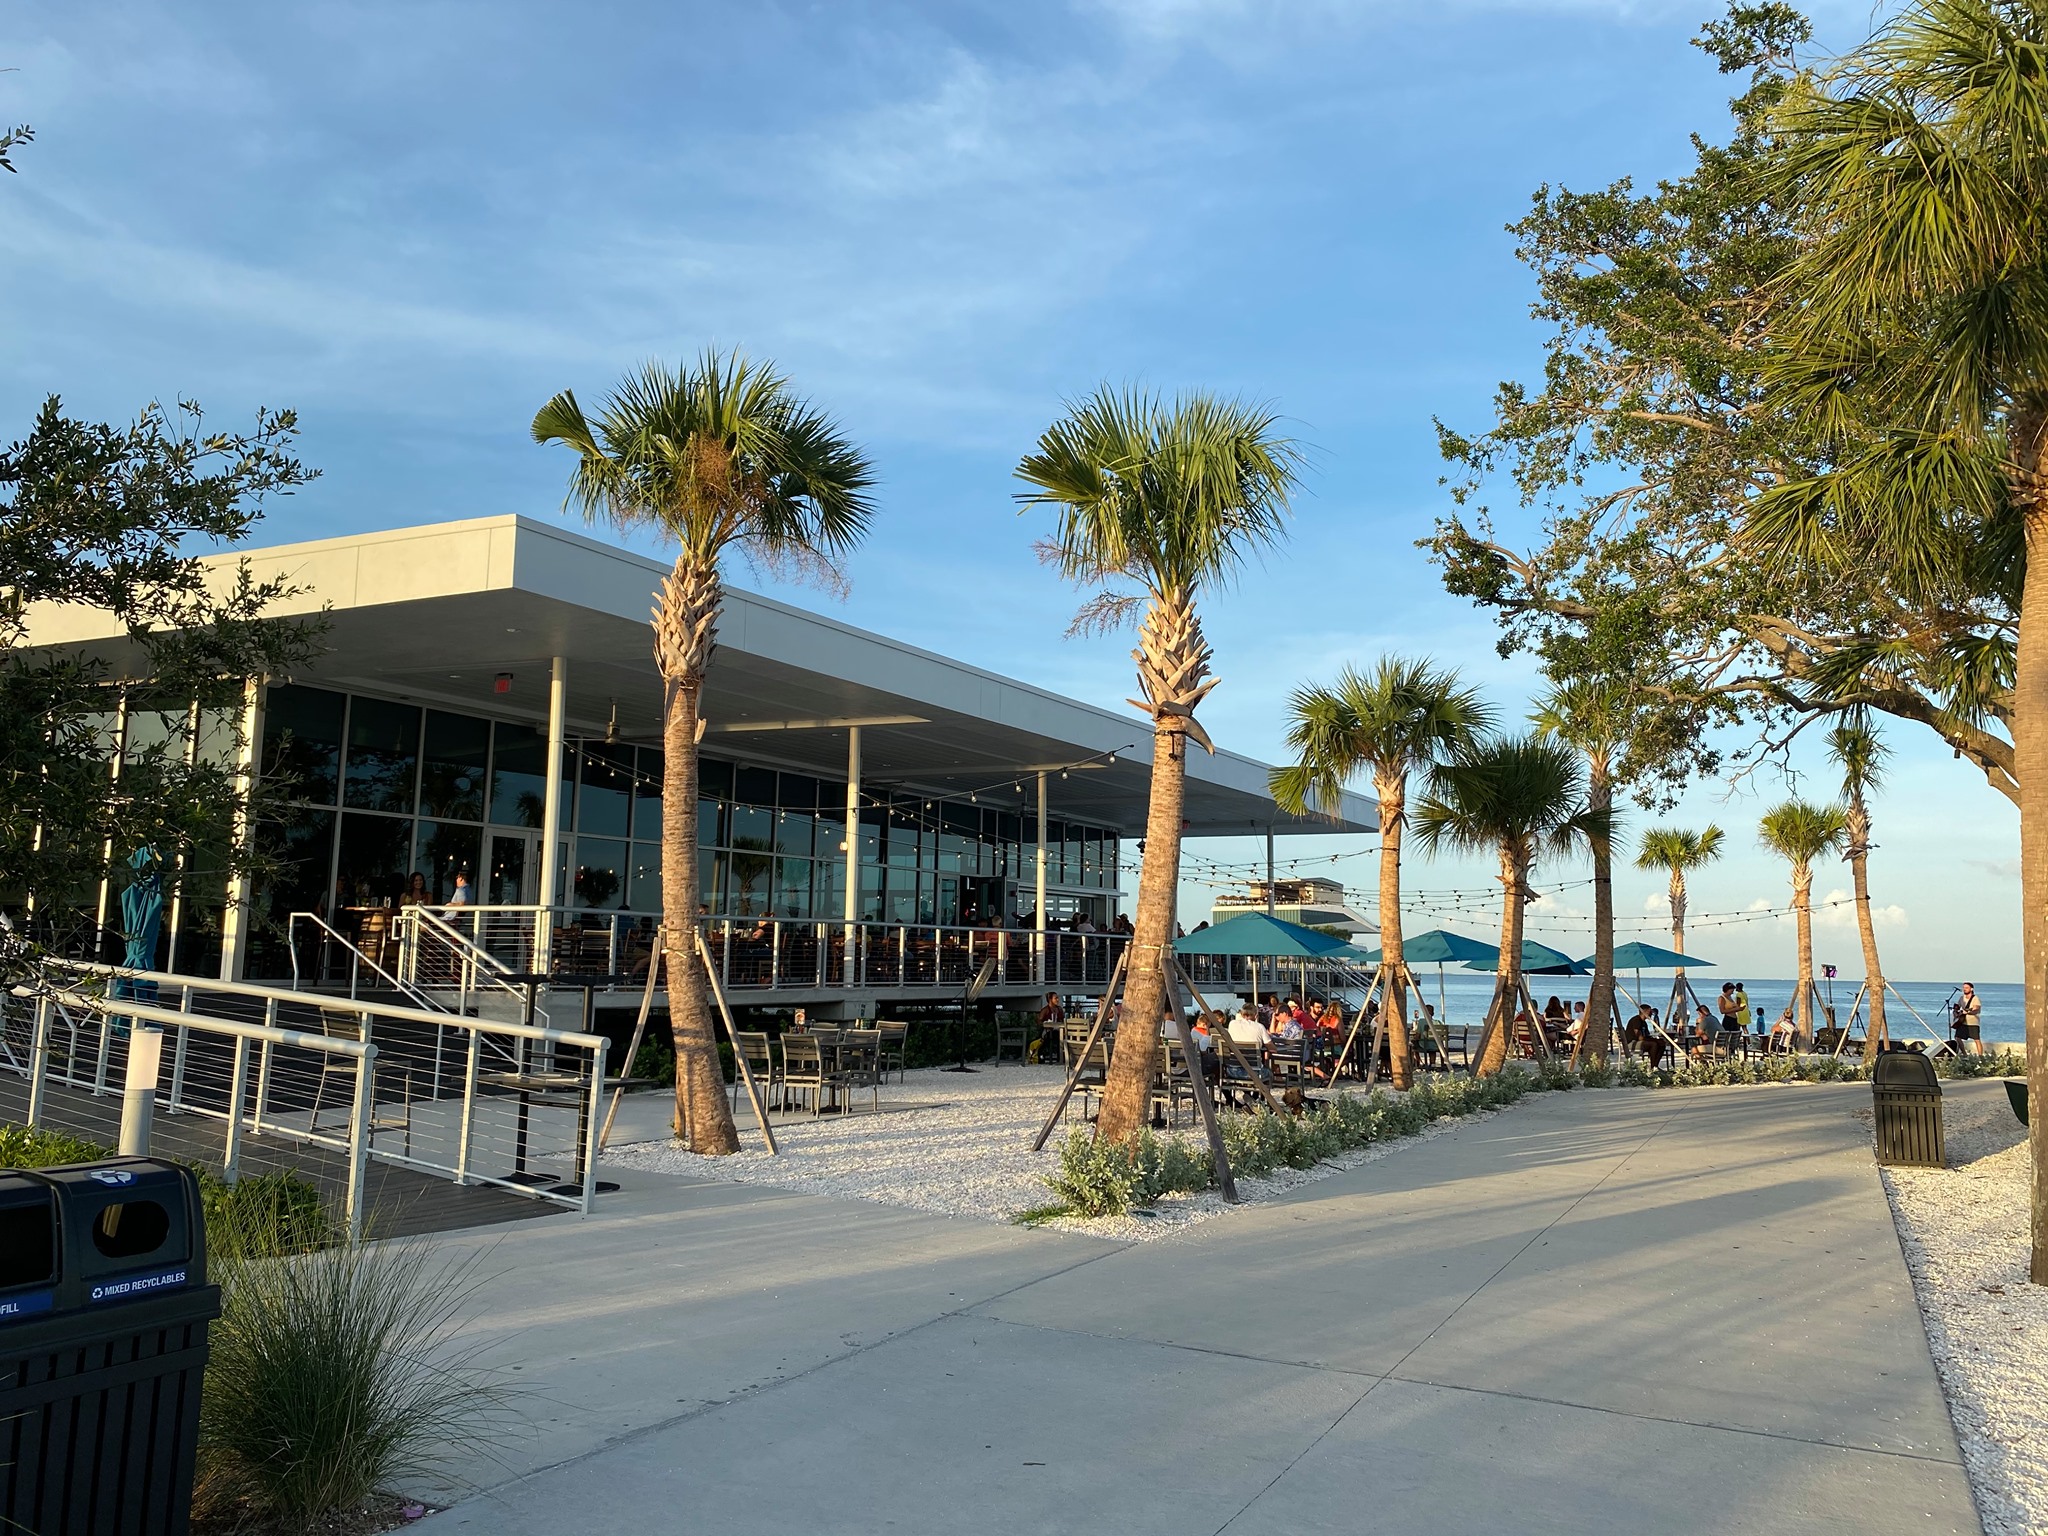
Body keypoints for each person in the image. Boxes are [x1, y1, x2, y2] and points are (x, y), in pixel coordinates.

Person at [1951, 982, 1983, 1055]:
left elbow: (1976, 1010)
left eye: (1966, 988)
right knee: (1957, 1037)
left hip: (1973, 1022)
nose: (1964, 989)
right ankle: (1965, 1054)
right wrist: (1955, 1013)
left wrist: (1968, 1012)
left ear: (1971, 989)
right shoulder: (1962, 998)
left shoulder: (1975, 998)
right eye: (1963, 988)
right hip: (1962, 1022)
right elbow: (1956, 1008)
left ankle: (1981, 1056)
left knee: (1976, 1040)